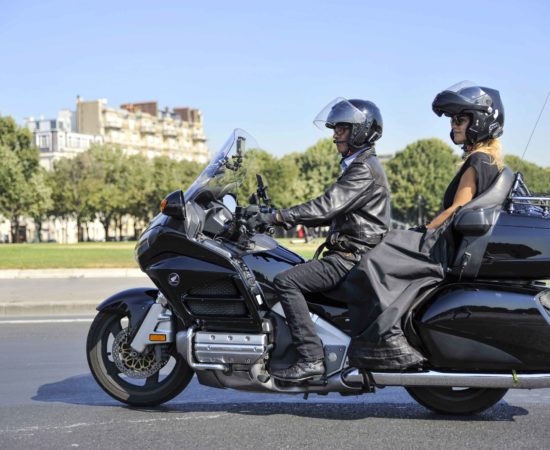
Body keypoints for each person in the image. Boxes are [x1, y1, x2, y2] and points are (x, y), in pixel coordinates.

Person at [344, 82, 505, 370]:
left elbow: (457, 208)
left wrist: (425, 229)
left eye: (461, 119)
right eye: (454, 120)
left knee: (376, 255)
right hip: (453, 243)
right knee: (390, 244)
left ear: (481, 121)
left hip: (443, 245)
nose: (454, 126)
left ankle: (387, 338)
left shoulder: (478, 160)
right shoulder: (489, 160)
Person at [248, 97, 391, 381]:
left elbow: (326, 206)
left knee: (286, 280)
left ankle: (311, 358)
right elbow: (330, 212)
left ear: (361, 131)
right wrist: (276, 215)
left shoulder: (363, 168)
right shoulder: (359, 165)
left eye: (342, 128)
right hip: (353, 254)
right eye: (335, 128)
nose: (335, 134)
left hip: (351, 257)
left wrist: (276, 217)